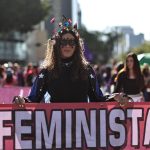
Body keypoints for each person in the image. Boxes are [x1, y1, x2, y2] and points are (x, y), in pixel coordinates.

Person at [14, 16, 121, 104]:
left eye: (71, 42)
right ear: (57, 45)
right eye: (63, 42)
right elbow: (33, 99)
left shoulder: (86, 70)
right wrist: (21, 100)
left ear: (77, 46)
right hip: (54, 127)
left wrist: (114, 97)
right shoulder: (47, 71)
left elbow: (98, 99)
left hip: (82, 127)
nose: (67, 46)